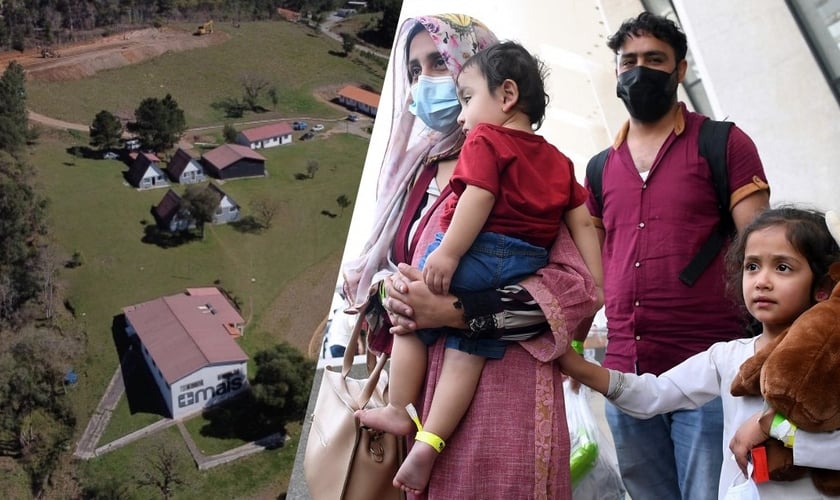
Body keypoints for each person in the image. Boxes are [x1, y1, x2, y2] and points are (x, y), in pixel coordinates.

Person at [341, 14, 599, 499]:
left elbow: (574, 291)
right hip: (423, 400)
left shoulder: (528, 168)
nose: (424, 82)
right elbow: (396, 264)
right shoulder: (411, 176)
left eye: (438, 61)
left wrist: (459, 313)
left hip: (506, 399)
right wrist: (393, 293)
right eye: (413, 71)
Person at [584, 12, 770, 499]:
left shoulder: (723, 143)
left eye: (654, 59)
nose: (639, 70)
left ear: (680, 69)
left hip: (708, 375)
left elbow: (764, 248)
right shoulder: (601, 168)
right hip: (625, 372)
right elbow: (594, 263)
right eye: (629, 61)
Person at [559, 206, 840, 498]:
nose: (762, 281)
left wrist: (771, 426)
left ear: (822, 287)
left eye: (783, 267)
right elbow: (653, 394)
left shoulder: (833, 361)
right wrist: (574, 364)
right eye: (752, 266)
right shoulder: (727, 357)